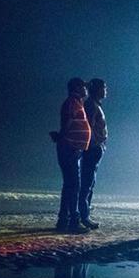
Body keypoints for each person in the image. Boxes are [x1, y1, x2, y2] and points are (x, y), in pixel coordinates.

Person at [51, 78, 91, 233]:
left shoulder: (75, 102)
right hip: (70, 148)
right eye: (84, 87)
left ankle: (64, 220)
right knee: (73, 185)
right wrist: (63, 137)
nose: (86, 90)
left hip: (72, 148)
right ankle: (73, 221)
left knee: (70, 185)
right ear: (77, 87)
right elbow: (67, 122)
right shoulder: (72, 103)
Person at [78, 78, 107, 230]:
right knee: (87, 183)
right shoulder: (91, 105)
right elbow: (89, 126)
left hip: (95, 148)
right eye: (104, 87)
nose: (106, 90)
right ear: (97, 89)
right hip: (92, 149)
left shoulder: (94, 105)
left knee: (89, 183)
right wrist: (94, 145)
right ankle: (83, 215)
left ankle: (84, 213)